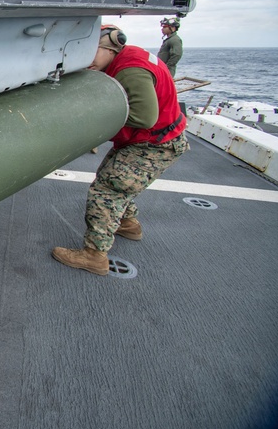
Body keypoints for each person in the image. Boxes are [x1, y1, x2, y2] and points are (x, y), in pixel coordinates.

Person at [52, 25, 189, 275]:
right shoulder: (127, 58)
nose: (86, 60)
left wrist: (93, 123)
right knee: (116, 179)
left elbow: (144, 118)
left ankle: (94, 256)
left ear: (111, 47)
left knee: (108, 190)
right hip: (151, 140)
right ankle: (128, 224)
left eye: (91, 52)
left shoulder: (131, 70)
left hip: (154, 144)